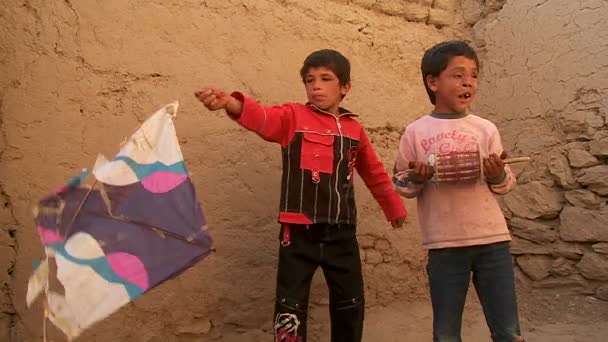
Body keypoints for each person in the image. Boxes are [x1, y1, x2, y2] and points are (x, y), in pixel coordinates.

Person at [195, 49, 408, 342]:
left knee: (350, 304)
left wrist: (393, 208)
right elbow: (263, 118)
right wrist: (230, 103)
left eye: (325, 79)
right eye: (310, 80)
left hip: (342, 232)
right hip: (297, 233)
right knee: (289, 307)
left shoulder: (354, 129)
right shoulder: (293, 116)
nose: (316, 86)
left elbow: (373, 173)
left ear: (345, 87)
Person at [392, 41, 525, 342]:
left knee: (508, 331)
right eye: (458, 74)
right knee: (446, 333)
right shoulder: (416, 132)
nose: (468, 82)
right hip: (444, 245)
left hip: (492, 241)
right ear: (432, 81)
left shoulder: (485, 129)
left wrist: (497, 174)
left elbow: (506, 184)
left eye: (474, 75)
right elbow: (402, 185)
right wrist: (417, 177)